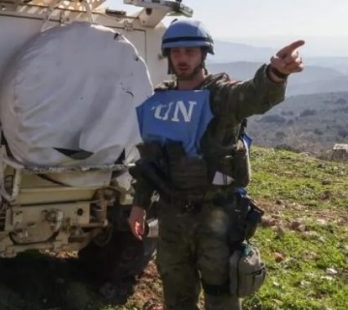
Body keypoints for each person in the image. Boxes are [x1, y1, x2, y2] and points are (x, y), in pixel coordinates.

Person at [128, 19, 304, 309]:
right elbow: (150, 160)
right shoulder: (160, 101)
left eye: (190, 52)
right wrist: (140, 204)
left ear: (203, 54)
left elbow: (253, 96)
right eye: (176, 52)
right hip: (172, 218)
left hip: (216, 217)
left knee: (221, 293)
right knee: (176, 293)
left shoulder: (220, 95)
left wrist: (275, 74)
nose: (182, 58)